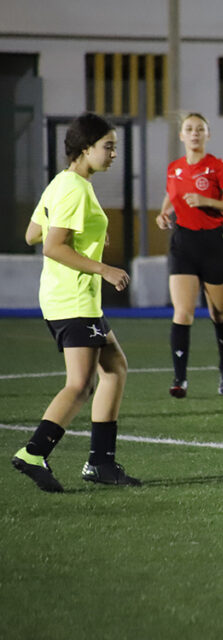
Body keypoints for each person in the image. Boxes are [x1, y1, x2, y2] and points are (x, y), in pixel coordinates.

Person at [11, 112, 140, 492]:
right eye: (108, 147)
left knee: (114, 368)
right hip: (73, 299)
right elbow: (52, 246)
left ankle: (101, 462)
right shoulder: (75, 189)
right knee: (80, 385)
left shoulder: (61, 184)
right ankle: (35, 452)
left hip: (70, 297)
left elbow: (32, 233)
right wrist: (103, 268)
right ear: (85, 149)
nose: (114, 154)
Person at [157, 112, 223, 398]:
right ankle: (180, 379)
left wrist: (207, 200)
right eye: (189, 129)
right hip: (183, 242)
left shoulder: (219, 167)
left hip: (214, 243)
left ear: (208, 135)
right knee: (182, 311)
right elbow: (172, 193)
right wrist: (164, 212)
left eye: (200, 129)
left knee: (218, 312)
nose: (194, 133)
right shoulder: (174, 168)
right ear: (181, 135)